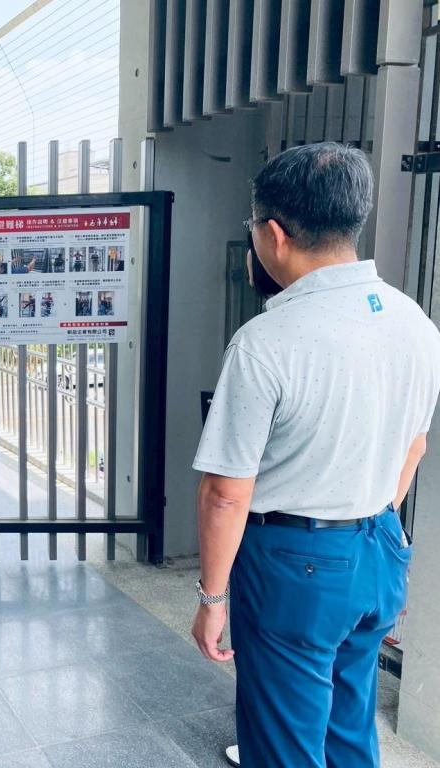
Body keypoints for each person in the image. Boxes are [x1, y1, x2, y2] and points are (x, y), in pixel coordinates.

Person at [190, 142, 440, 768]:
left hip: (294, 564)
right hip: (380, 547)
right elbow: (415, 445)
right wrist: (369, 521)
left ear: (273, 234)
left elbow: (226, 493)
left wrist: (212, 600)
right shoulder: (415, 322)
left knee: (283, 743)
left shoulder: (265, 341)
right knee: (348, 724)